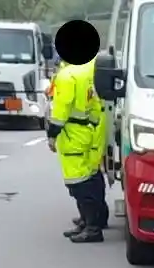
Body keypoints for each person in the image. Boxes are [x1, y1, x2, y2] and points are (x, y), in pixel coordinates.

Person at [47, 54, 109, 243]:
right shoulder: (90, 68)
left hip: (73, 134)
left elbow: (60, 111)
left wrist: (52, 134)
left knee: (78, 183)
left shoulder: (67, 76)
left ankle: (92, 228)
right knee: (92, 176)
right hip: (91, 129)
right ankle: (94, 220)